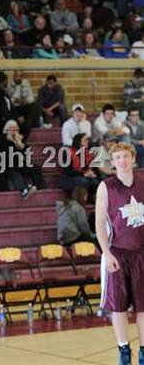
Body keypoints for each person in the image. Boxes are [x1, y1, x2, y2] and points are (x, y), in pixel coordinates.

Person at [95, 143, 144, 365]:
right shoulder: (106, 187)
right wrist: (106, 252)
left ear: (133, 158)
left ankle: (143, 351)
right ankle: (124, 350)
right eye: (117, 157)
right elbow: (98, 224)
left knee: (143, 306)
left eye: (126, 156)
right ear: (112, 162)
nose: (122, 160)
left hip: (141, 252)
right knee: (119, 306)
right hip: (117, 253)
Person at [0, 120, 44, 198]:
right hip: (9, 165)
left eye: (15, 128)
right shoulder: (3, 139)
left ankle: (37, 187)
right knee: (16, 175)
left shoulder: (19, 139)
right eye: (11, 128)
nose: (13, 130)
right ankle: (24, 190)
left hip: (21, 164)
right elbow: (10, 153)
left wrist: (19, 143)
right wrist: (15, 143)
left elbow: (27, 151)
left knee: (36, 168)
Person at [61, 133, 105, 197]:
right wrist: (84, 174)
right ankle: (78, 199)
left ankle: (93, 199)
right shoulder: (68, 152)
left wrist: (93, 174)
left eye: (88, 140)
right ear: (78, 141)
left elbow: (94, 168)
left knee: (97, 180)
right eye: (85, 140)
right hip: (69, 178)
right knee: (83, 181)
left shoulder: (88, 153)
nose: (88, 141)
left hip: (85, 176)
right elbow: (67, 171)